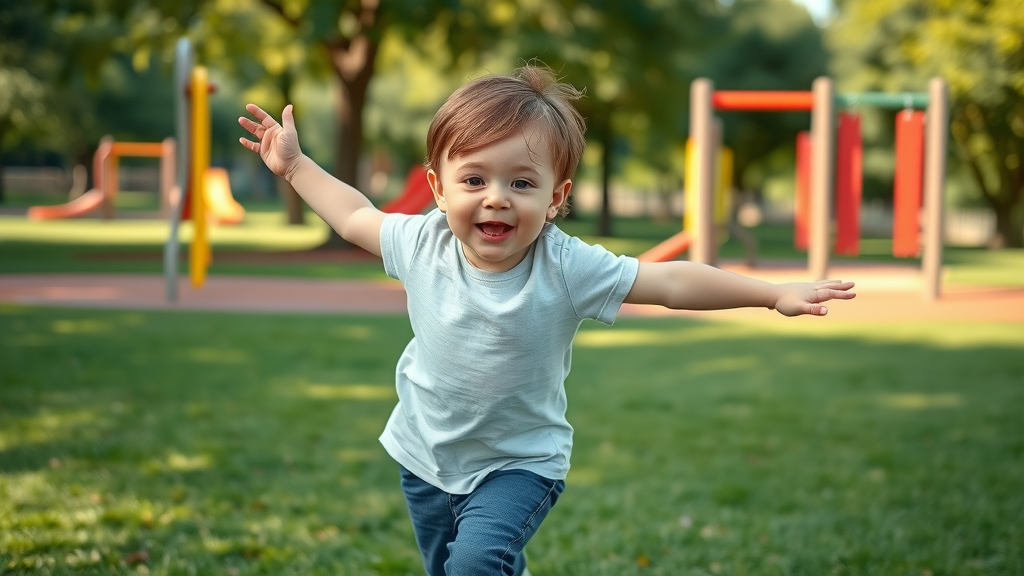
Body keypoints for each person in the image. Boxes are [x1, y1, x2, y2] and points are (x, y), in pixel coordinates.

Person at [238, 65, 855, 576]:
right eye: (474, 178)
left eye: (521, 182)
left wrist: (771, 293)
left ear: (556, 198)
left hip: (518, 463)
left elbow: (669, 282)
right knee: (453, 569)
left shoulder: (567, 266)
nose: (496, 197)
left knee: (476, 566)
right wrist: (295, 169)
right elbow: (353, 216)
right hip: (424, 454)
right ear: (437, 187)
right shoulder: (422, 242)